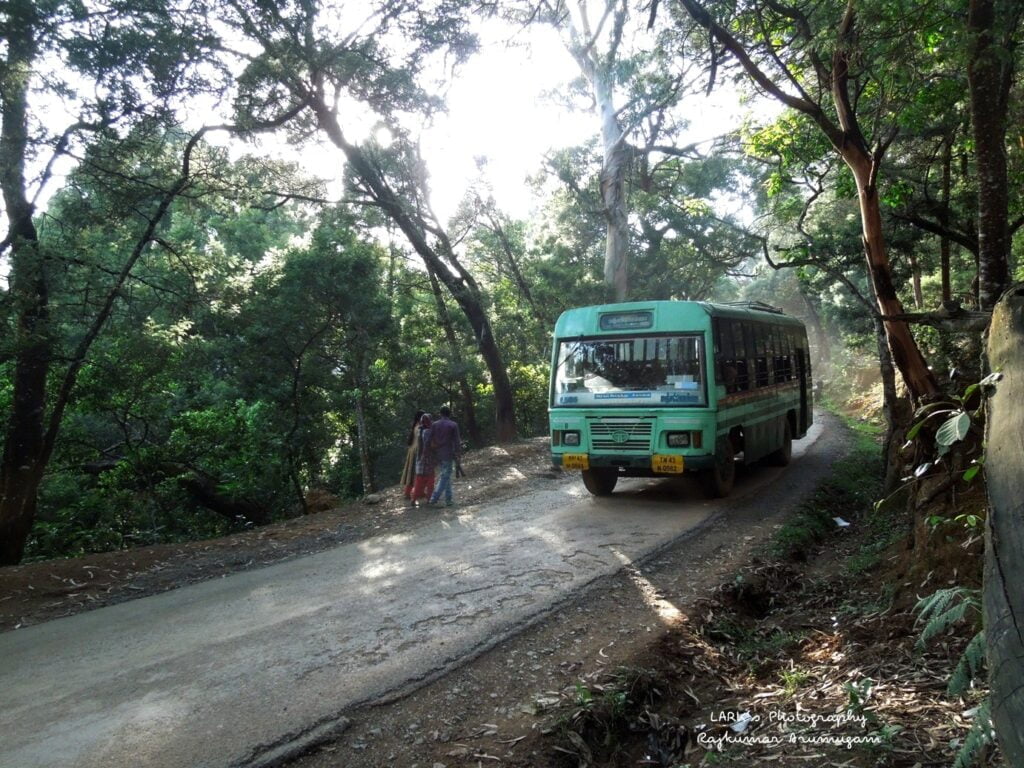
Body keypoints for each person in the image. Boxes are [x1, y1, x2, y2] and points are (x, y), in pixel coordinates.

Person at [427, 405, 461, 507]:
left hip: (438, 454)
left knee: (446, 476)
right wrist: (458, 454)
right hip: (448, 453)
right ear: (449, 414)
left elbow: (428, 439)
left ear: (440, 413)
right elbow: (457, 441)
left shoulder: (434, 424)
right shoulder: (453, 425)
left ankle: (448, 499)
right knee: (445, 476)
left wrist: (430, 452)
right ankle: (434, 499)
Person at [409, 414, 436, 506]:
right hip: (428, 460)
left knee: (418, 482)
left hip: (419, 460)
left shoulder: (419, 430)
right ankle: (429, 499)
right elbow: (431, 445)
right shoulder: (428, 431)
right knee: (430, 481)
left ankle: (413, 499)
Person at [400, 409, 425, 499]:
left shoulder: (416, 426)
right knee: (418, 472)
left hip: (412, 450)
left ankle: (412, 492)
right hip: (416, 451)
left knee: (413, 472)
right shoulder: (419, 427)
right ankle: (416, 492)